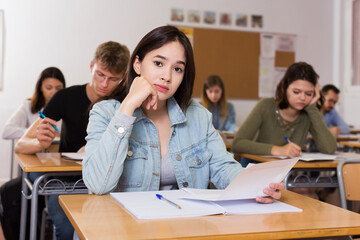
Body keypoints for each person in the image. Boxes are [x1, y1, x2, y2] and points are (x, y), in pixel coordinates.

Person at [83, 25, 284, 205]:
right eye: (158, 63)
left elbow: (223, 167)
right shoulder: (106, 112)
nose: (167, 76)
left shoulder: (198, 116)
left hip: (184, 226)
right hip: (124, 229)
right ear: (137, 64)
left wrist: (259, 186)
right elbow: (98, 184)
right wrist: (127, 108)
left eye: (177, 68)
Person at [15, 41, 130, 240]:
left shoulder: (126, 104)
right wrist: (39, 144)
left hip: (110, 181)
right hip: (66, 180)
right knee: (67, 229)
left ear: (123, 78)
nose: (104, 84)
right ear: (91, 66)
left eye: (113, 79)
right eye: (100, 75)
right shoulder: (65, 97)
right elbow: (20, 144)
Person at [232, 62, 337, 167]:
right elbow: (237, 144)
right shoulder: (266, 105)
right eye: (296, 92)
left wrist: (312, 107)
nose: (303, 98)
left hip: (286, 176)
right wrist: (277, 150)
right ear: (285, 87)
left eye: (309, 94)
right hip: (255, 170)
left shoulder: (308, 113)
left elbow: (329, 149)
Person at [2, 67, 65, 140]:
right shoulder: (28, 105)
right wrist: (35, 132)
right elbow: (6, 131)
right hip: (34, 150)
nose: (54, 92)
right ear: (40, 88)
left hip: (57, 150)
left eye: (58, 88)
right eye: (48, 88)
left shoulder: (68, 108)